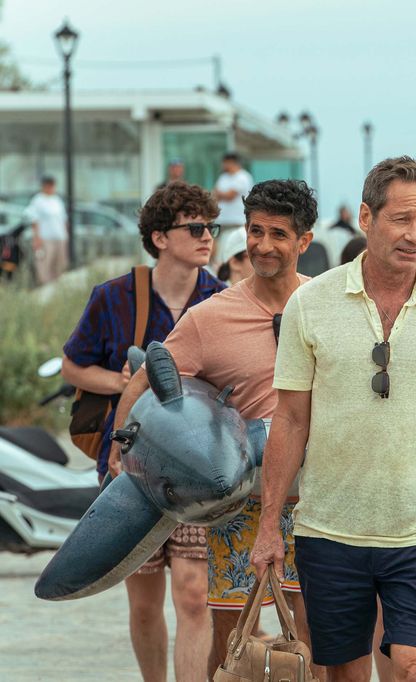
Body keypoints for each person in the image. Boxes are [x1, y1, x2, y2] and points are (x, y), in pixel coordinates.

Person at [250, 156, 416, 682]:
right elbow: (290, 419)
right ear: (367, 218)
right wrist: (270, 524)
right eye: (402, 219)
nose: (415, 235)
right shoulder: (310, 304)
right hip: (330, 529)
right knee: (344, 674)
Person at [110, 179, 321, 680]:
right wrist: (122, 460)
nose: (263, 245)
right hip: (240, 498)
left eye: (278, 234)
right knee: (231, 640)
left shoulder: (326, 306)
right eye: (254, 231)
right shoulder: (211, 317)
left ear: (304, 241)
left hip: (318, 500)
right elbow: (145, 383)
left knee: (314, 636)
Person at [62, 181, 225, 682]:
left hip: (197, 470)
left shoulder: (221, 300)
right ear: (159, 237)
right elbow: (73, 365)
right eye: (195, 228)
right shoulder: (114, 298)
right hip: (128, 467)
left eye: (211, 228)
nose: (207, 238)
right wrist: (124, 383)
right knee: (144, 601)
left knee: (195, 595)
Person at [24, 174, 68, 284]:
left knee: (60, 264)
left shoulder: (57, 200)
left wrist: (66, 234)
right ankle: (45, 286)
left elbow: (63, 219)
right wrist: (37, 238)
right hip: (45, 238)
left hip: (59, 237)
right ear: (45, 186)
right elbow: (34, 220)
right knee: (45, 264)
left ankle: (57, 286)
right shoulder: (38, 201)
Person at [214, 152, 254, 230]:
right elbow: (215, 195)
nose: (222, 165)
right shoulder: (223, 177)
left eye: (224, 162)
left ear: (231, 162)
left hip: (237, 220)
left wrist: (220, 194)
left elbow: (230, 196)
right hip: (222, 219)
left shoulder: (243, 176)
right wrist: (222, 194)